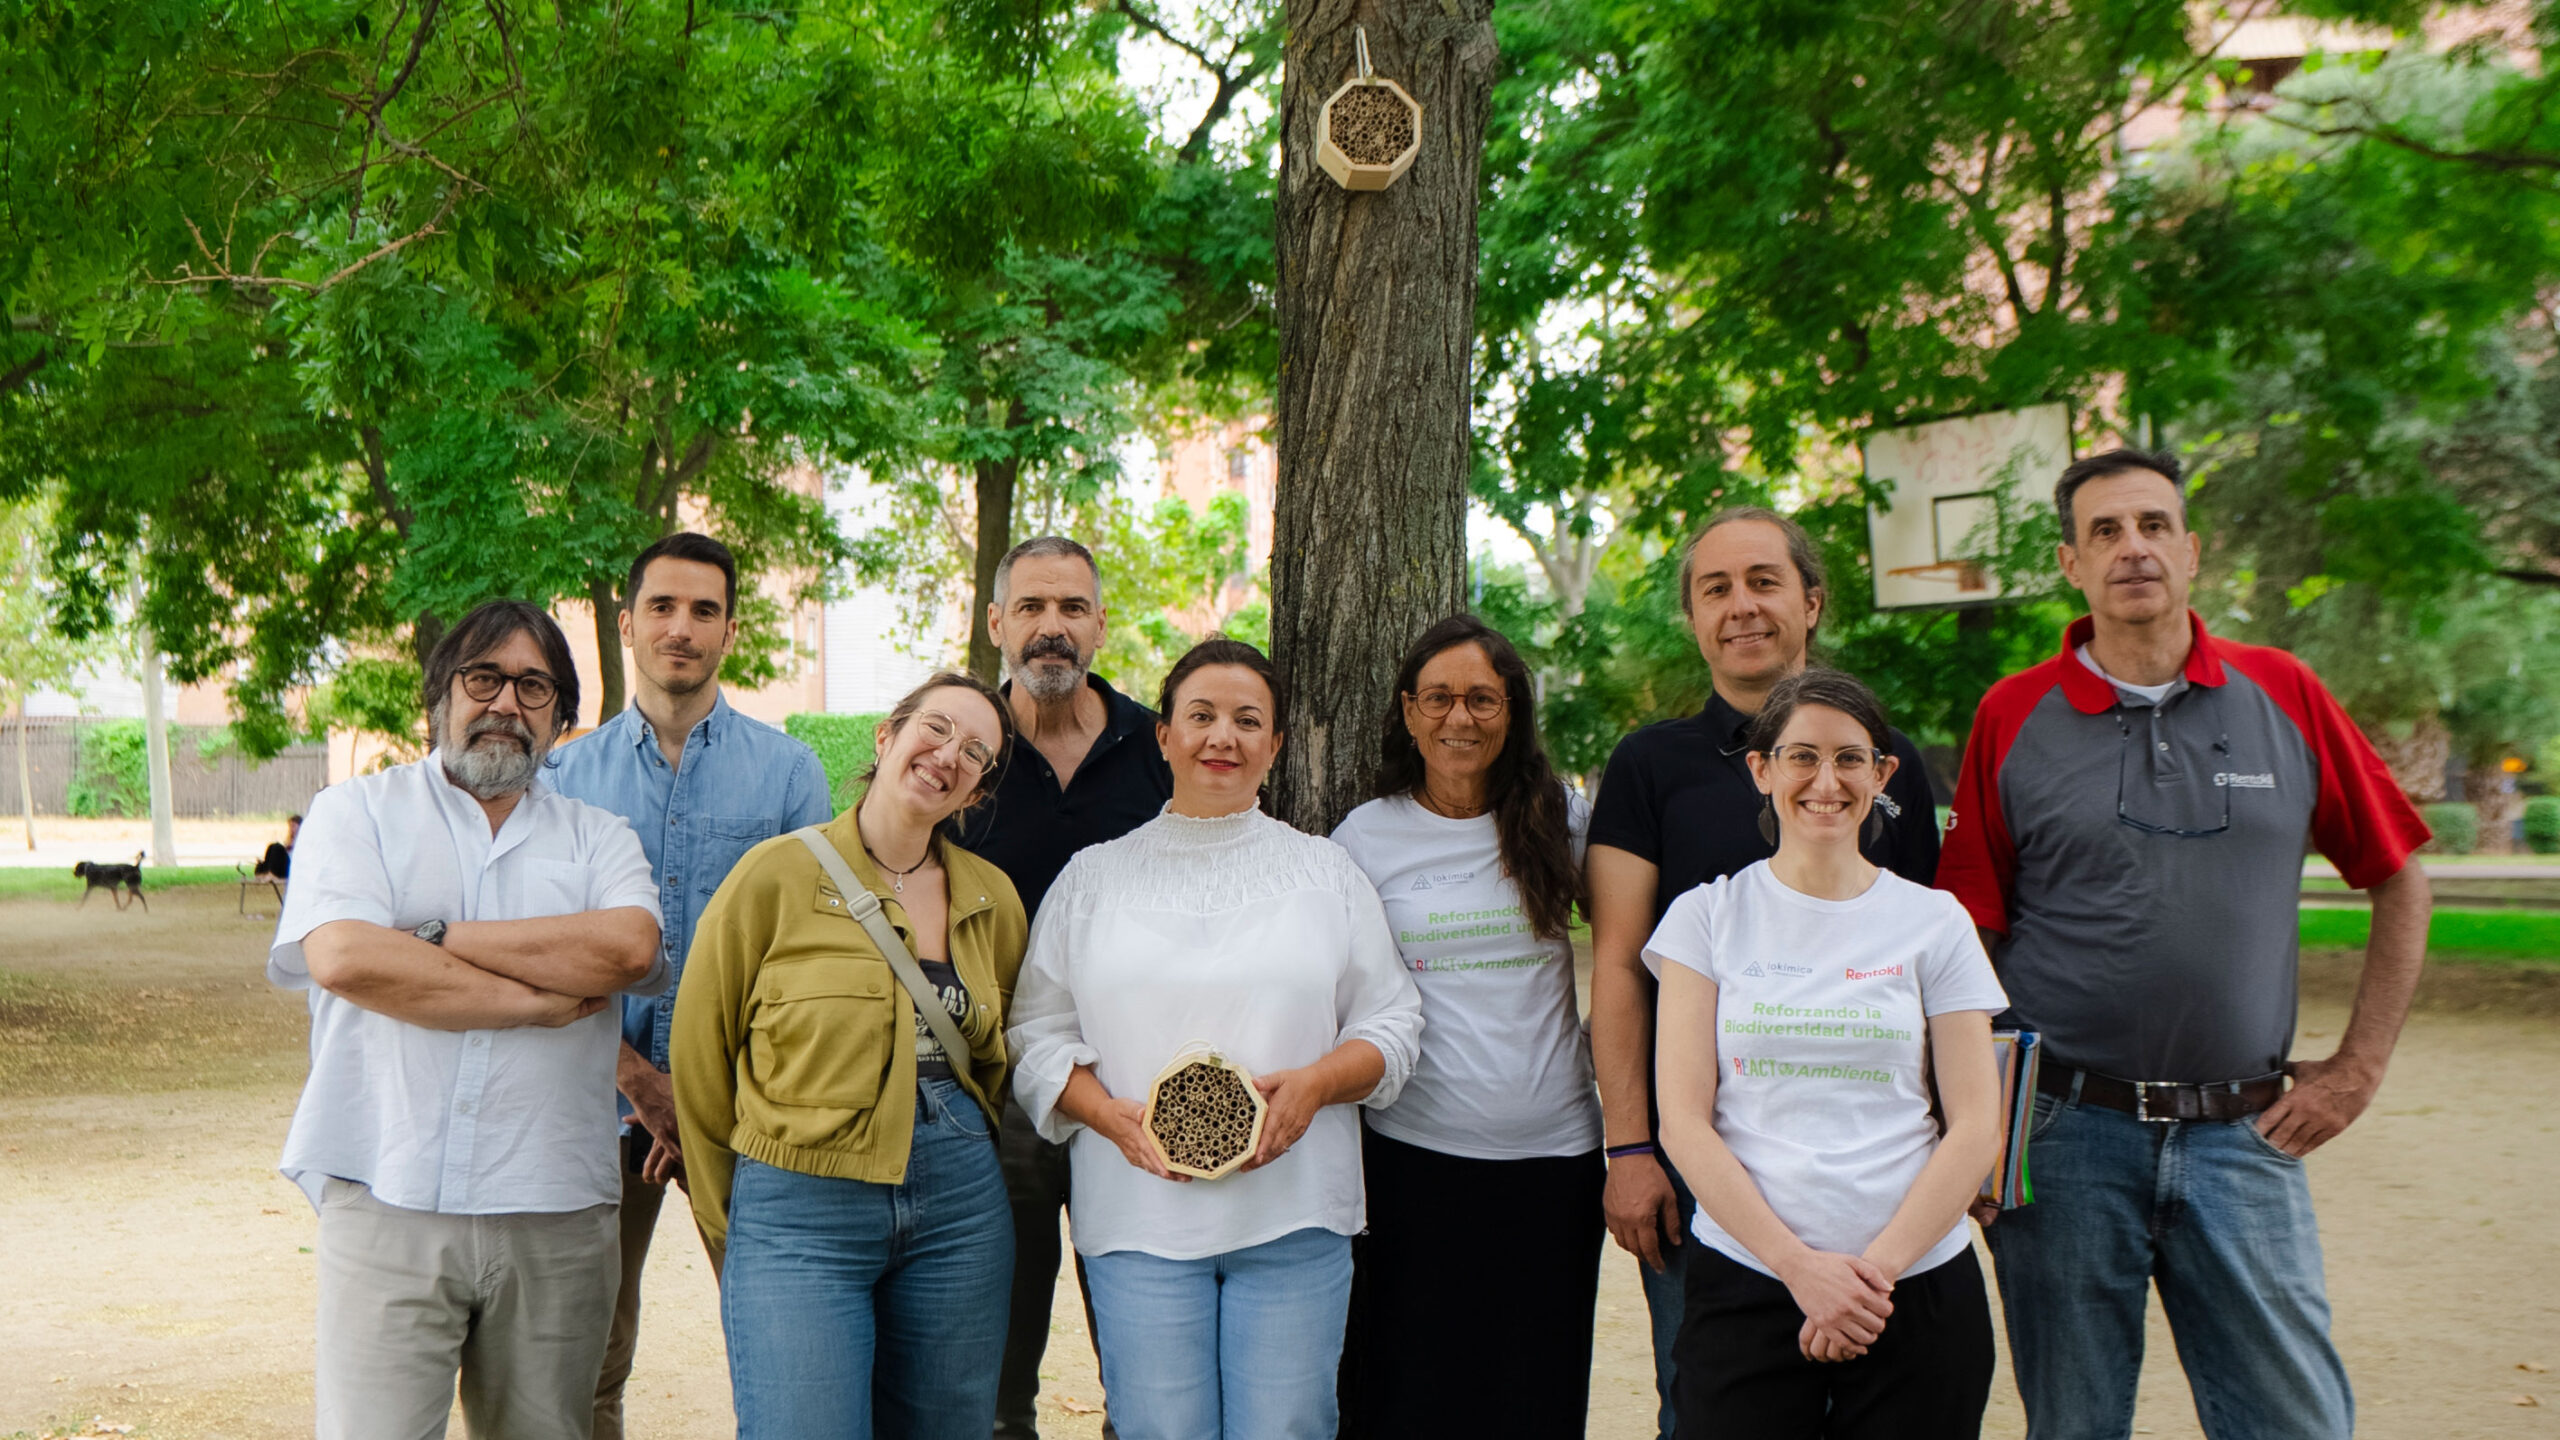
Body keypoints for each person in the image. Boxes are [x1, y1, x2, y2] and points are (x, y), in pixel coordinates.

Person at [1937, 448, 2433, 1440]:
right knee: (2072, 1424)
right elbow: (1967, 939)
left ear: (2191, 550)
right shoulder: (2011, 712)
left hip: (2244, 1136)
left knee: (2293, 1423)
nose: (2133, 550)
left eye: (2153, 526)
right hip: (2061, 1135)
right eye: (2106, 532)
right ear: (2070, 564)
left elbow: (2398, 874)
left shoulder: (2281, 691)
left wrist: (2357, 1068)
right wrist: (1975, 1137)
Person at [1007, 637, 1425, 1440]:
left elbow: (1392, 1022)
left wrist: (1315, 1085)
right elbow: (1038, 1033)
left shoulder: (1326, 873)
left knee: (1288, 1429)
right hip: (1140, 1221)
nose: (1221, 738)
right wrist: (1106, 1116)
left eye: (1246, 720)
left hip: (1296, 1218)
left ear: (1275, 743)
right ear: (1163, 736)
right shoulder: (1092, 878)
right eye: (1199, 716)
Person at [267, 601, 666, 1440]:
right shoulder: (355, 814)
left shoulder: (601, 838)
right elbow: (346, 959)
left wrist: (437, 936)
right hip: (387, 1191)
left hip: (555, 1207)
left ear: (560, 719)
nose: (505, 704)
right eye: (482, 678)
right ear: (439, 698)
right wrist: (537, 1001)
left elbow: (627, 949)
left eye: (534, 687)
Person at [1586, 505, 1942, 1437]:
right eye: (1716, 589)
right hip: (1704, 1171)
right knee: (1703, 1407)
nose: (1740, 606)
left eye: (1763, 582)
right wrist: (1629, 1150)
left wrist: (1965, 1159)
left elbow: (1930, 970)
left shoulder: (1881, 766)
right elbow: (1621, 968)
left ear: (1811, 601)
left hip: (1883, 1178)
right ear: (1695, 618)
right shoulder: (1649, 764)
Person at [1649, 668, 2008, 1440]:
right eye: (1801, 755)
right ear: (1762, 769)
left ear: (1882, 774)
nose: (1826, 780)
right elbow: (1683, 1122)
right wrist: (1799, 1268)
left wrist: (1866, 1280)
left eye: (1850, 758)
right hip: (1751, 1278)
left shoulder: (1934, 921)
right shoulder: (1705, 918)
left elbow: (1978, 1126)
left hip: (1912, 1284)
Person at [672, 672, 1028, 1440]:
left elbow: (996, 1062)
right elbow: (701, 1058)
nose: (948, 755)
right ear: (886, 736)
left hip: (960, 1212)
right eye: (935, 728)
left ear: (975, 793)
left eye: (976, 754)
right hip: (799, 1208)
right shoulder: (774, 876)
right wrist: (736, 1223)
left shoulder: (992, 898)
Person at [547, 531, 835, 1440]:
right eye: (663, 608)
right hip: (597, 1109)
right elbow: (549, 956)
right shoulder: (561, 778)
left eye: (704, 610)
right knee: (588, 1361)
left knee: (785, 1359)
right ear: (627, 624)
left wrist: (702, 1100)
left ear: (730, 631)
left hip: (749, 1118)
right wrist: (641, 1083)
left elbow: (806, 961)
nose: (683, 627)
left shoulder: (789, 774)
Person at [1330, 615, 1602, 1436]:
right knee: (1414, 1391)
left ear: (1512, 712)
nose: (1460, 718)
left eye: (1483, 699)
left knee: (1538, 1392)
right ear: (1408, 712)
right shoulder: (1363, 837)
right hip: (1412, 1160)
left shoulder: (1563, 816)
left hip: (1556, 1161)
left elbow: (1627, 961)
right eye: (1440, 698)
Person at [949, 536, 1172, 1440]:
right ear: (997, 622)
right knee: (1001, 1346)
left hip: (1135, 1077)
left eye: (1072, 609)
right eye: (1032, 610)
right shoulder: (965, 751)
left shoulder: (1158, 746)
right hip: (999, 1084)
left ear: (1100, 625)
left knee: (1143, 1325)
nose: (1052, 629)